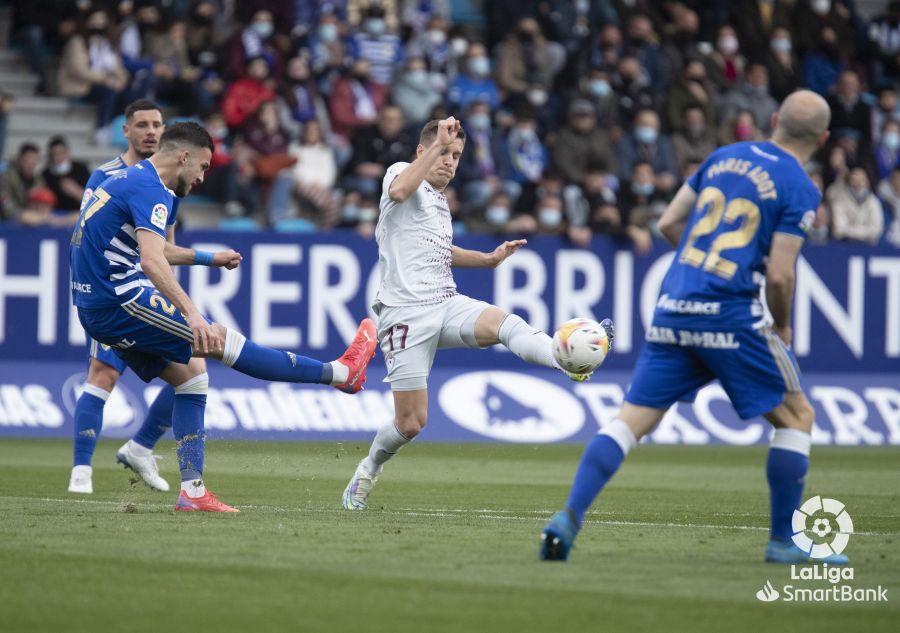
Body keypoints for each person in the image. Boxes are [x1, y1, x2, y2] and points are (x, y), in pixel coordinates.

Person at [539, 90, 850, 566]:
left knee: (630, 421)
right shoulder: (801, 188)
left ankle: (567, 518)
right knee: (797, 417)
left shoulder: (723, 157)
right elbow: (782, 275)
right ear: (824, 138)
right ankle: (784, 541)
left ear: (772, 121)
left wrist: (700, 262)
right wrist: (782, 323)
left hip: (675, 304)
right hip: (731, 314)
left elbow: (668, 222)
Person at [70, 121, 378, 512]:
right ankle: (340, 373)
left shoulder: (124, 180)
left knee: (192, 378)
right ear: (183, 156)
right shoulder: (152, 189)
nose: (201, 178)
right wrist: (193, 314)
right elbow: (151, 259)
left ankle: (193, 491)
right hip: (120, 299)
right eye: (202, 167)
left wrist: (207, 258)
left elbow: (150, 248)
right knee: (220, 341)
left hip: (95, 306)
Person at [339, 117, 614, 511]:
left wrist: (486, 260)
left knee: (502, 323)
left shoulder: (438, 201)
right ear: (422, 151)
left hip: (445, 302)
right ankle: (368, 469)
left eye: (456, 156)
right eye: (443, 153)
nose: (449, 162)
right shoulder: (400, 173)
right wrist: (436, 146)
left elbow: (437, 249)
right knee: (411, 423)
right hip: (404, 315)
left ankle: (564, 359)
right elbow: (399, 192)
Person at [68, 100, 184, 494]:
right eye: (142, 125)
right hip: (109, 291)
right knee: (103, 374)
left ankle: (141, 447)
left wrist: (202, 260)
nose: (151, 132)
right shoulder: (105, 175)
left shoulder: (169, 184)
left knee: (191, 370)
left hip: (143, 292)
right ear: (127, 131)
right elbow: (83, 235)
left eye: (157, 125)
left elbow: (165, 248)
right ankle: (81, 472)